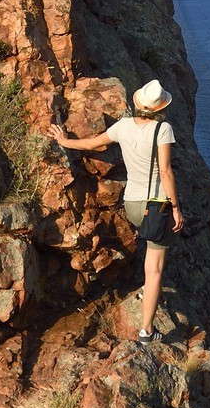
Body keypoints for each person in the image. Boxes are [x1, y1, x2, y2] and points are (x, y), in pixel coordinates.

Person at [50, 79, 185, 342]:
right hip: (157, 205)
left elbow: (92, 145)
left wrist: (64, 141)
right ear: (160, 107)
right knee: (155, 269)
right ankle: (146, 330)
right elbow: (166, 171)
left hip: (132, 204)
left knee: (149, 254)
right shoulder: (163, 129)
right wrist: (176, 207)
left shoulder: (123, 126)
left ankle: (145, 294)